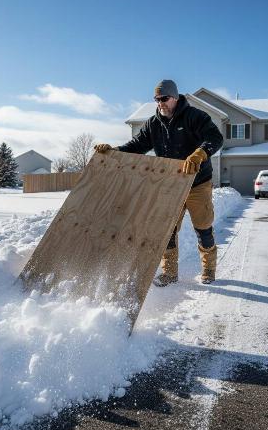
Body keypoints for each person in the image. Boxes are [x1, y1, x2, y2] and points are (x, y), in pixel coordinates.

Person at [94, 79, 224, 286]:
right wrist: (115, 151)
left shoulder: (195, 117)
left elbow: (215, 137)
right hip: (171, 184)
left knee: (203, 228)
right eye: (156, 99)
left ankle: (208, 269)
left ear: (175, 97)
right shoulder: (153, 123)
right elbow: (137, 145)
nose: (160, 103)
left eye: (164, 98)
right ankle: (169, 273)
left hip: (197, 183)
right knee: (167, 230)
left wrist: (200, 153)